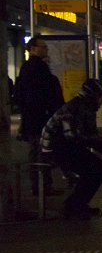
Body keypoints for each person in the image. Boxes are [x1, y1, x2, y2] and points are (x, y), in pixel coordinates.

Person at [39, 79, 102, 220]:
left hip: (65, 147)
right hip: (55, 149)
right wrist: (100, 142)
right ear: (91, 96)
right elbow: (72, 136)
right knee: (95, 169)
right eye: (100, 96)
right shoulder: (74, 108)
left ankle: (77, 204)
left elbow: (86, 135)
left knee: (96, 168)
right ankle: (73, 206)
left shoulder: (85, 108)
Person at [12, 36, 65, 195]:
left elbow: (21, 95)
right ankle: (42, 187)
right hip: (40, 118)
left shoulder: (26, 68)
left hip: (32, 118)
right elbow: (45, 95)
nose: (46, 50)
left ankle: (41, 186)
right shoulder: (38, 68)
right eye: (43, 47)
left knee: (37, 151)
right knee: (41, 152)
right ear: (33, 48)